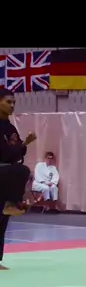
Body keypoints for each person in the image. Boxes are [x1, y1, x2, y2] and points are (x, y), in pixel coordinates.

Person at [0, 88, 36, 220]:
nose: (12, 106)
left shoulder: (11, 128)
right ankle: (14, 201)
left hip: (6, 174)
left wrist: (24, 144)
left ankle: (13, 202)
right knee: (21, 170)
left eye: (14, 103)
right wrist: (23, 144)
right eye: (8, 102)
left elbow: (18, 153)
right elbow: (4, 153)